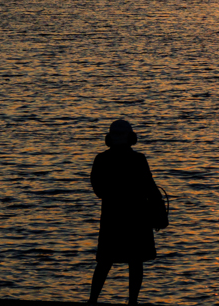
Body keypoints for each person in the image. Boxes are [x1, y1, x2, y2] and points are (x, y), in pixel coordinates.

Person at [89, 119, 161, 305]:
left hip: (112, 217)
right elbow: (151, 189)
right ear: (131, 138)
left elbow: (98, 191)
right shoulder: (138, 160)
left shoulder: (101, 159)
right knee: (136, 261)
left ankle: (92, 301)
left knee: (105, 261)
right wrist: (159, 213)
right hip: (137, 217)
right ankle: (133, 302)